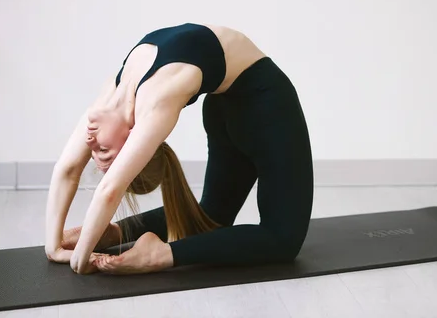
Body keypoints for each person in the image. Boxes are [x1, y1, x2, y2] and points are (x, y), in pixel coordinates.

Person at [44, 23, 314, 275]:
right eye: (102, 151)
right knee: (237, 224)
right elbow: (73, 172)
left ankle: (145, 247)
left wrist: (80, 257)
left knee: (257, 232)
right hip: (241, 106)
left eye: (100, 153)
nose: (91, 144)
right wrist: (56, 248)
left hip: (253, 105)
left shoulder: (131, 99)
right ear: (132, 137)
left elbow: (97, 183)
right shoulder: (135, 102)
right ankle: (139, 243)